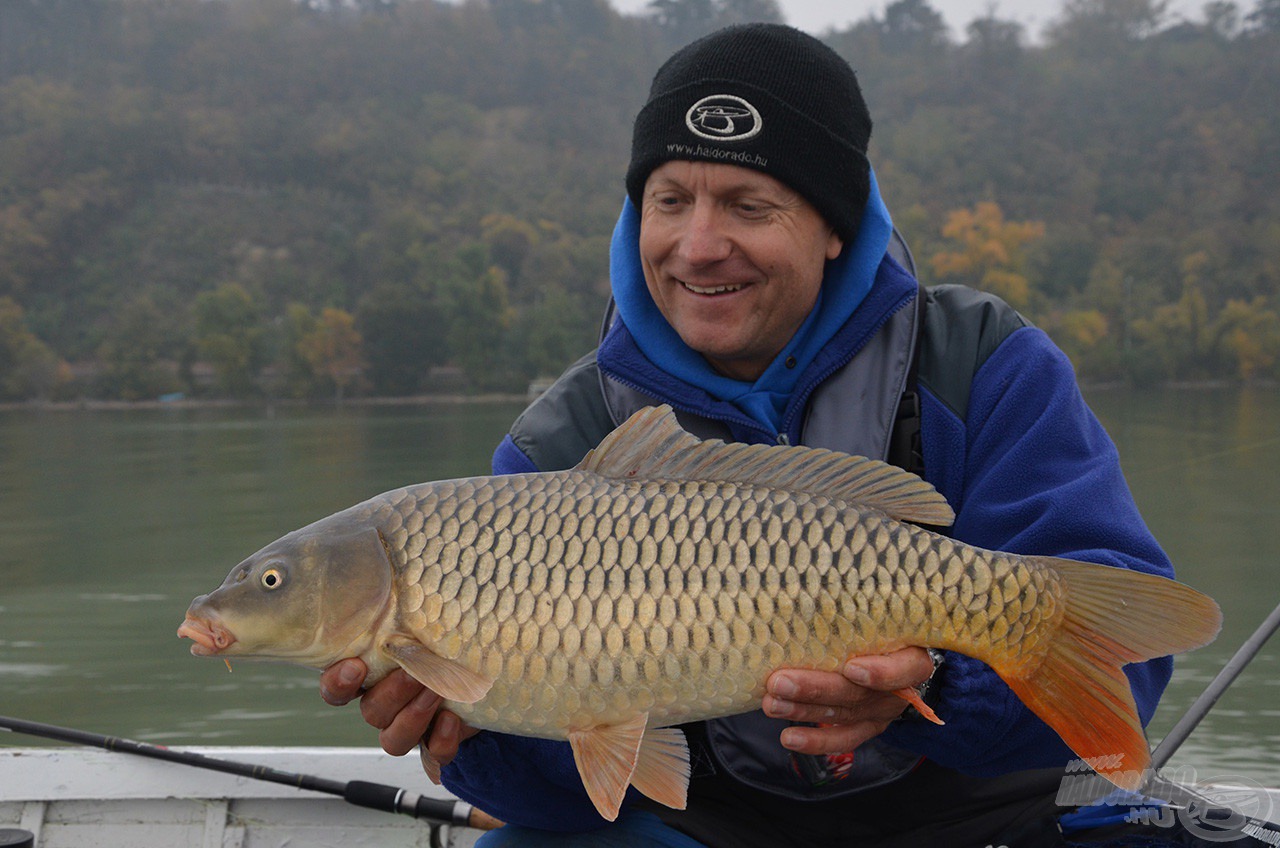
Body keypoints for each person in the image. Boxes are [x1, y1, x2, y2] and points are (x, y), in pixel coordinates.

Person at [321, 23, 1178, 846]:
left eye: (747, 204)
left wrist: (941, 682)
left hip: (977, 813)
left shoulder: (982, 363)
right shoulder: (560, 442)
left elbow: (1128, 678)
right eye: (669, 201)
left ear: (834, 226)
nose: (698, 246)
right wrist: (470, 736)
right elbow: (571, 799)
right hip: (714, 828)